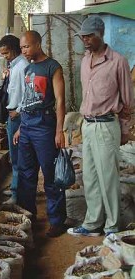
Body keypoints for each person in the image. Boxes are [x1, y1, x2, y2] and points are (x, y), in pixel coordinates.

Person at [67, 16, 133, 237]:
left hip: (106, 126)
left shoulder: (118, 61)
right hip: (88, 125)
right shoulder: (85, 60)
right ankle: (93, 223)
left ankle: (113, 226)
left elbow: (127, 101)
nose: (85, 40)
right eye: (83, 36)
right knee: (91, 176)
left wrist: (124, 130)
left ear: (100, 35)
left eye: (89, 36)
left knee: (109, 177)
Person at [14, 30, 67, 237]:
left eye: (26, 47)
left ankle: (56, 221)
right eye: (21, 48)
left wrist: (59, 131)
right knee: (26, 174)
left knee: (50, 174)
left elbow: (61, 101)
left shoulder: (53, 67)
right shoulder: (28, 69)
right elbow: (27, 100)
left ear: (37, 44)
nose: (24, 51)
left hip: (45, 126)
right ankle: (28, 214)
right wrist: (20, 127)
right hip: (27, 125)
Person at [0, 35, 29, 204]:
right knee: (15, 158)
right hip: (13, 117)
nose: (5, 56)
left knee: (18, 159)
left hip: (19, 118)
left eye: (7, 53)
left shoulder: (23, 66)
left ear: (15, 49)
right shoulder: (14, 66)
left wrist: (18, 111)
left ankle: (18, 196)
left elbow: (28, 93)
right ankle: (16, 191)